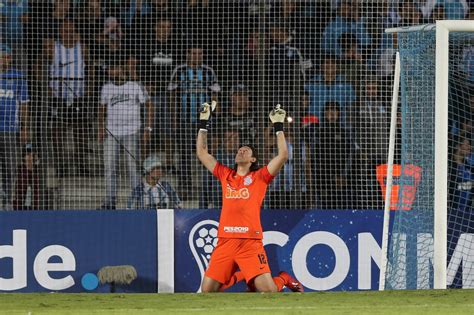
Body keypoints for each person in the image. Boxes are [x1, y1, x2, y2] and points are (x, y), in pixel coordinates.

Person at [196, 101, 303, 293]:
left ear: (253, 159)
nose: (241, 150)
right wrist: (203, 124)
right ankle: (244, 274)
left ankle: (283, 279)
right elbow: (202, 153)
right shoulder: (225, 174)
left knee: (268, 291)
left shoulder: (260, 177)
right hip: (225, 240)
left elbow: (283, 155)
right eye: (239, 149)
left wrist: (278, 126)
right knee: (207, 292)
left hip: (249, 242)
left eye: (246, 150)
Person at [98, 57, 154, 210]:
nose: (111, 71)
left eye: (114, 68)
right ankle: (110, 201)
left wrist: (148, 128)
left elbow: (149, 105)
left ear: (122, 68)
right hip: (112, 133)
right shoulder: (106, 88)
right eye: (109, 69)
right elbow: (101, 109)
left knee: (132, 167)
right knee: (110, 167)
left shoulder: (135, 86)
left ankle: (138, 201)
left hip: (132, 132)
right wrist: (101, 128)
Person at [0, 44, 29, 210]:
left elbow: (24, 104)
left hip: (11, 129)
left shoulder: (18, 76)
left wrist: (24, 128)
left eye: (8, 56)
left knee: (10, 167)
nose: (6, 59)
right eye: (3, 56)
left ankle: (8, 202)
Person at [13, 143, 40, 210]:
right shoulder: (19, 170)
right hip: (19, 208)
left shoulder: (39, 171)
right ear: (24, 156)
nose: (30, 157)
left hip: (36, 209)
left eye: (32, 155)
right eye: (27, 154)